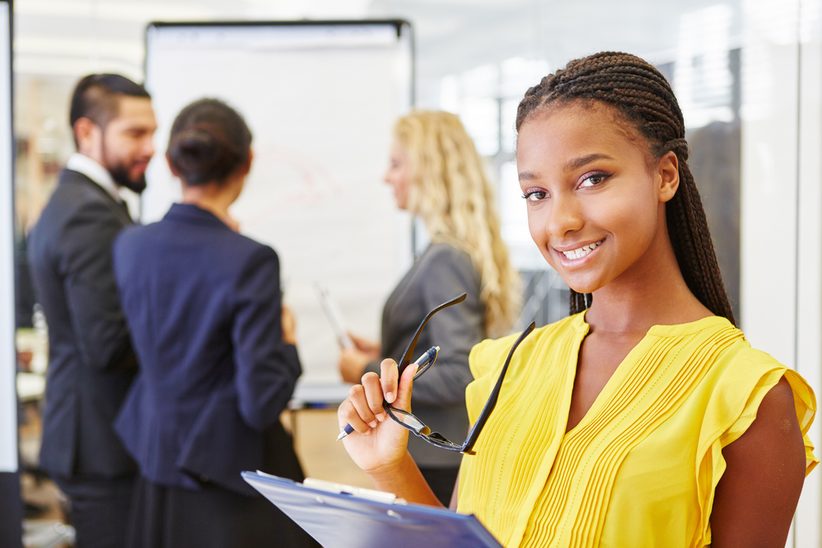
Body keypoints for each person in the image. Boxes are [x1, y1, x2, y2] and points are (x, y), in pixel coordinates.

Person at [337, 52, 817, 546]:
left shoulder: (746, 398)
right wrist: (390, 467)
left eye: (592, 179)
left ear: (665, 175)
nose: (559, 221)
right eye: (536, 194)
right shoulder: (513, 364)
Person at [112, 98, 314, 547]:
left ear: (170, 163)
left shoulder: (130, 246)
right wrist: (289, 343)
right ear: (247, 164)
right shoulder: (250, 260)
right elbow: (260, 402)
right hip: (229, 480)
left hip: (156, 465)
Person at [337, 110, 520, 505]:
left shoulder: (445, 258)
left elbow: (459, 370)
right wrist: (383, 354)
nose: (387, 177)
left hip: (431, 460)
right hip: (433, 454)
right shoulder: (448, 252)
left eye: (396, 164)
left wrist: (365, 371)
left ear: (429, 170)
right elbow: (440, 353)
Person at [27, 73, 156, 547]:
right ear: (87, 132)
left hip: (96, 435)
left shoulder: (86, 202)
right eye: (135, 134)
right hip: (101, 441)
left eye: (153, 132)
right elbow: (108, 343)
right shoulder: (89, 212)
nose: (150, 148)